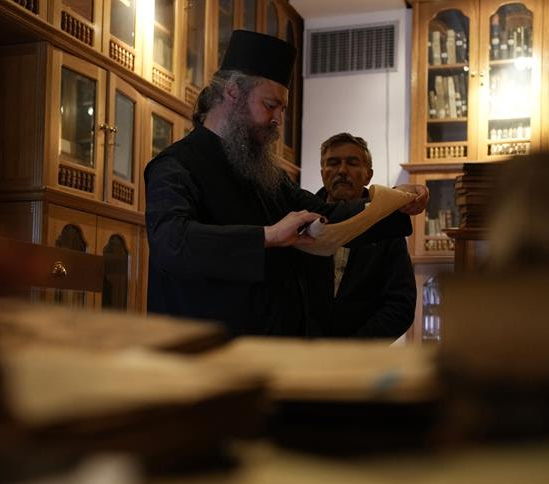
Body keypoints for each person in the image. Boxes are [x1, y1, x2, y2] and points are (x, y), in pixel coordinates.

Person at [145, 30, 428, 336]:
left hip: (268, 353)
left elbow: (327, 216)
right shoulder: (175, 165)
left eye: (282, 110)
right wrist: (267, 236)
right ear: (232, 93)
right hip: (202, 352)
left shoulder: (267, 175)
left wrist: (395, 202)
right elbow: (171, 242)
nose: (278, 120)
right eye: (270, 105)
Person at [303, 133, 417, 340]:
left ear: (368, 175)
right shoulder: (302, 220)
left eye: (353, 163)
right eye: (333, 163)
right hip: (305, 354)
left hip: (365, 355)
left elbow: (401, 303)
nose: (342, 170)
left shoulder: (385, 224)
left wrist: (356, 347)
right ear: (322, 172)